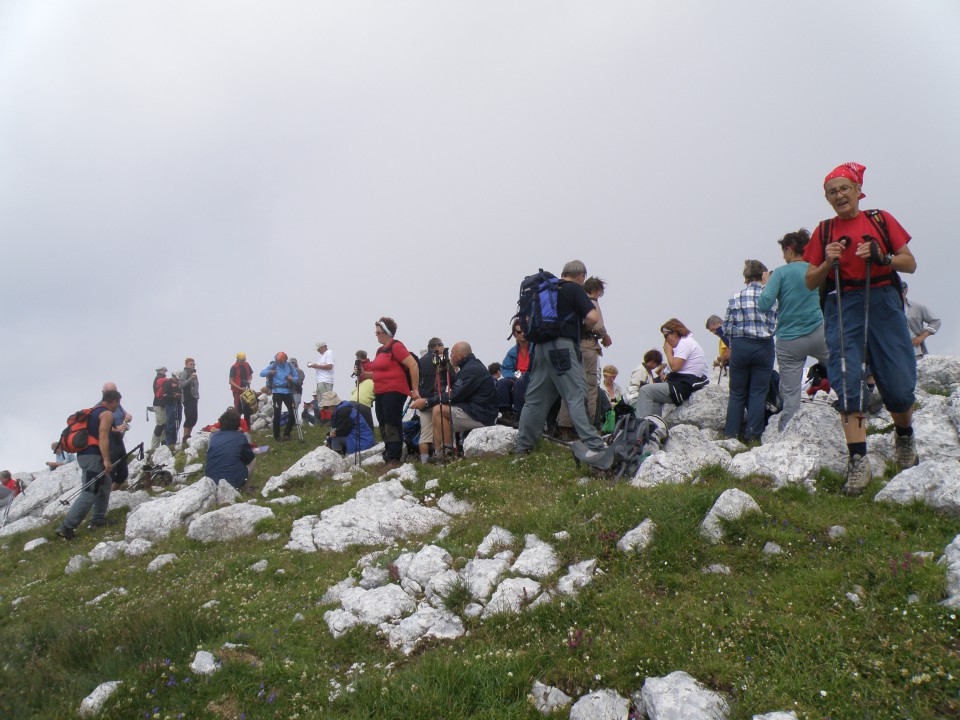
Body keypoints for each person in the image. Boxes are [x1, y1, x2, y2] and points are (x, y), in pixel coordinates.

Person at [804, 162, 919, 495]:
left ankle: (904, 435)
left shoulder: (880, 219)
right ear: (826, 198)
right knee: (845, 376)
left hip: (883, 298)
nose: (839, 195)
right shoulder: (823, 232)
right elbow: (811, 281)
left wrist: (883, 257)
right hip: (843, 303)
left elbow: (909, 262)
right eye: (832, 191)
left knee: (898, 384)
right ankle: (858, 462)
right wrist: (827, 262)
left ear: (857, 191)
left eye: (844, 189)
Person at [516, 260, 608, 458]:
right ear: (581, 276)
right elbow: (592, 318)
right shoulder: (574, 289)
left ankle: (522, 448)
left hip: (539, 349)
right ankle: (595, 446)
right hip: (563, 349)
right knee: (576, 394)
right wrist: (582, 328)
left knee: (534, 401)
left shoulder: (546, 289)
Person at [758, 229, 830, 431]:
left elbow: (764, 304)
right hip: (818, 331)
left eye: (784, 251)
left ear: (790, 249)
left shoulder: (780, 272)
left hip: (789, 339)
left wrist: (765, 284)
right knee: (841, 368)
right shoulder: (815, 269)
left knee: (790, 395)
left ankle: (788, 436)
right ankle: (856, 410)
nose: (783, 256)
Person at [55, 389, 123, 539]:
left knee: (105, 483)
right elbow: (103, 436)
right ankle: (67, 526)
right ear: (113, 401)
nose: (118, 407)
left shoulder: (93, 411)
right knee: (90, 490)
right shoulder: (106, 413)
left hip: (83, 455)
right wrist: (106, 459)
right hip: (94, 456)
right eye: (118, 403)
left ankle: (98, 519)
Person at [411, 341, 497, 458]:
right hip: (475, 410)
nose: (450, 356)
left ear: (460, 355)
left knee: (439, 410)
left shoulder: (471, 369)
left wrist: (427, 401)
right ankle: (439, 453)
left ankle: (447, 450)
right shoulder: (469, 367)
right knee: (437, 412)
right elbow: (455, 389)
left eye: (452, 353)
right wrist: (442, 370)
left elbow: (454, 395)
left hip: (481, 414)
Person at [722, 260, 777, 442]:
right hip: (764, 346)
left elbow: (727, 326)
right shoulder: (771, 298)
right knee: (758, 392)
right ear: (763, 276)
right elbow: (777, 322)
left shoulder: (736, 297)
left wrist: (736, 339)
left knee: (737, 392)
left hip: (741, 345)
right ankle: (753, 434)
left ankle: (731, 434)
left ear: (745, 278)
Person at [556, 276, 612, 437]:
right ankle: (588, 427)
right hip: (587, 346)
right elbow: (597, 324)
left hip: (571, 346)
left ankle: (565, 426)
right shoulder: (591, 303)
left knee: (571, 387)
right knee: (590, 386)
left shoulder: (573, 302)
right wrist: (605, 336)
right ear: (596, 290)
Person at [361, 317, 421, 466]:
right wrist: (362, 373)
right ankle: (389, 453)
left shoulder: (396, 346)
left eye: (378, 332)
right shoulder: (380, 350)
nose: (376, 335)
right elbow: (377, 374)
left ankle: (394, 456)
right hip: (381, 391)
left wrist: (415, 390)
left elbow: (413, 365)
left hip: (394, 390)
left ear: (387, 332)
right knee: (383, 421)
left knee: (391, 422)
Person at [633, 319, 710, 418]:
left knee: (645, 390)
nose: (665, 340)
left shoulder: (685, 343)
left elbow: (674, 367)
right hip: (686, 383)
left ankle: (641, 425)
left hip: (684, 385)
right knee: (655, 397)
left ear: (675, 333)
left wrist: (668, 351)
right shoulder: (688, 342)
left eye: (666, 335)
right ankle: (654, 428)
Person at [416, 338, 457, 462]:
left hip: (423, 401)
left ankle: (424, 463)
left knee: (425, 435)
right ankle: (441, 456)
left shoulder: (420, 361)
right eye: (442, 345)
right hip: (438, 400)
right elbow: (454, 378)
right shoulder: (443, 361)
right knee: (440, 431)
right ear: (437, 346)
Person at [204, 408, 256, 491]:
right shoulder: (241, 437)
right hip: (233, 481)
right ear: (238, 424)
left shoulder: (214, 436)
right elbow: (249, 458)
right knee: (253, 460)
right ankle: (245, 488)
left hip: (211, 480)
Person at [321, 391, 376, 456]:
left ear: (332, 405)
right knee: (333, 438)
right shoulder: (339, 410)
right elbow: (336, 428)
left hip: (362, 440)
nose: (325, 410)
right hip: (358, 437)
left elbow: (344, 431)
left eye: (325, 407)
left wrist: (331, 436)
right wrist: (329, 438)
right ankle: (341, 456)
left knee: (336, 439)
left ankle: (337, 459)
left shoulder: (343, 411)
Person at [496, 321, 531, 422]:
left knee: (520, 382)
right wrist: (518, 375)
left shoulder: (535, 348)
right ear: (515, 334)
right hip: (518, 378)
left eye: (525, 330)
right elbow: (505, 369)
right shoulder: (512, 352)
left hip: (533, 377)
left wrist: (523, 376)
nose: (523, 334)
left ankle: (519, 414)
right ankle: (505, 413)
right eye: (519, 332)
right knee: (502, 382)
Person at [260, 352, 298, 442]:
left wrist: (291, 378)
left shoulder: (289, 366)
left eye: (282, 360)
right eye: (279, 360)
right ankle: (277, 437)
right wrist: (270, 372)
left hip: (287, 392)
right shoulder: (273, 365)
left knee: (292, 413)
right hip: (276, 392)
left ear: (285, 359)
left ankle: (286, 434)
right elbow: (261, 373)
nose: (280, 362)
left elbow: (296, 377)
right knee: (277, 414)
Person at [902, 282, 941, 359]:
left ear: (906, 290)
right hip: (894, 352)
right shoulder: (887, 310)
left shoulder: (917, 307)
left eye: (902, 290)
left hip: (915, 351)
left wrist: (922, 337)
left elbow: (936, 321)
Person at [229, 352, 255, 428]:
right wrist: (239, 388)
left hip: (246, 390)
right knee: (238, 409)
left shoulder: (247, 365)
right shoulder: (233, 367)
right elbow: (230, 381)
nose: (243, 361)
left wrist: (249, 381)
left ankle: (247, 427)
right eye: (241, 360)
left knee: (247, 408)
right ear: (237, 359)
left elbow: (250, 375)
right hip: (237, 391)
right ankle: (237, 426)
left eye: (244, 360)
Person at [178, 358, 200, 444]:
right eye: (191, 364)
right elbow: (180, 385)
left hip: (194, 397)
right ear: (186, 365)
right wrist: (190, 378)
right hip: (187, 398)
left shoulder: (193, 373)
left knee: (194, 417)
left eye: (194, 364)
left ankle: (188, 435)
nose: (193, 365)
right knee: (189, 416)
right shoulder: (185, 373)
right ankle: (185, 436)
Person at [159, 373, 182, 448]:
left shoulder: (179, 384)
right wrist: (173, 396)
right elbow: (165, 396)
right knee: (170, 424)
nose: (177, 379)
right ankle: (169, 443)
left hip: (177, 405)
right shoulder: (167, 384)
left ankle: (174, 442)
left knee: (177, 423)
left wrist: (178, 395)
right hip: (170, 405)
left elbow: (181, 393)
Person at [150, 366, 167, 450]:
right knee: (160, 424)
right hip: (159, 404)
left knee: (163, 424)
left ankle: (162, 444)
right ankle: (155, 446)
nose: (165, 372)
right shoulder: (159, 380)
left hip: (161, 404)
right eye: (164, 371)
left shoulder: (158, 379)